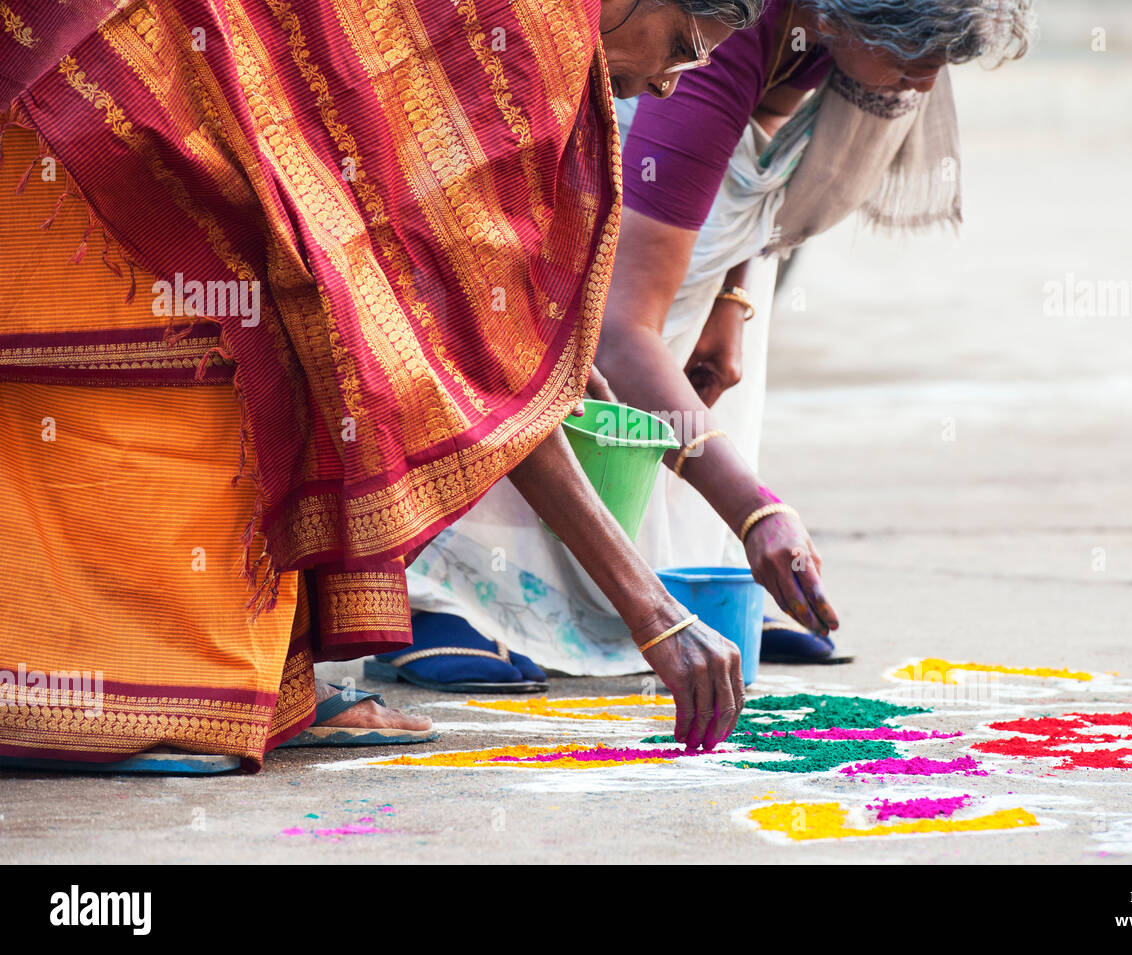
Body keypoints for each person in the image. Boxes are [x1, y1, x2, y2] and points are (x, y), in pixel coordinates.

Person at [0, 0, 761, 773]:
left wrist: (529, 360)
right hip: (105, 127)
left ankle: (226, 683)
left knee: (337, 324)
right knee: (299, 341)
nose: (672, 85)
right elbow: (453, 346)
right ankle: (128, 695)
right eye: (686, 44)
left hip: (114, 100)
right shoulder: (530, 39)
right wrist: (654, 610)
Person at [402, 0, 1034, 679]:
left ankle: (684, 578)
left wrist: (730, 296)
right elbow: (616, 333)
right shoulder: (699, 50)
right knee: (553, 351)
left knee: (699, 372)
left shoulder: (814, 27)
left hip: (688, 205)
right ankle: (453, 598)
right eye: (914, 58)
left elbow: (751, 157)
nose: (923, 84)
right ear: (849, 17)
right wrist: (755, 510)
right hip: (609, 200)